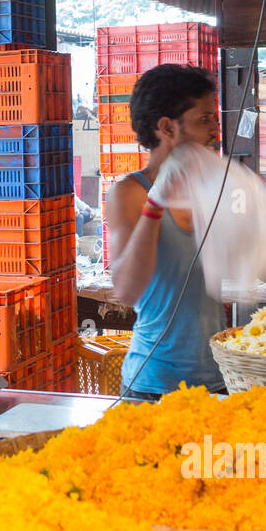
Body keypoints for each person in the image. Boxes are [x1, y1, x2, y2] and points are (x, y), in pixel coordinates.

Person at [105, 63, 228, 400]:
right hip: (154, 384)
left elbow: (265, 271)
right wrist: (156, 204)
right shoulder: (130, 193)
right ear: (166, 128)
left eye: (214, 120)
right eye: (204, 120)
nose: (215, 131)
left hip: (218, 379)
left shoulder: (210, 190)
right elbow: (128, 290)